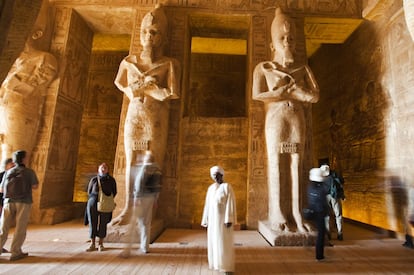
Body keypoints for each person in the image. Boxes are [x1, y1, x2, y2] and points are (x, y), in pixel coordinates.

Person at [252, 7, 319, 233]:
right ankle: (278, 214)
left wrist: (297, 91)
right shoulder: (264, 68)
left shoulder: (303, 69)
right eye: (282, 38)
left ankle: (297, 215)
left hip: (296, 118)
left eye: (291, 38)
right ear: (273, 45)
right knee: (275, 163)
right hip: (275, 118)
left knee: (296, 163)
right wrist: (282, 93)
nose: (287, 42)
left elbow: (315, 95)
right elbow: (257, 95)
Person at [113, 4, 181, 225]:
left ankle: (147, 211)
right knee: (131, 160)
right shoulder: (129, 61)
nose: (148, 36)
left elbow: (172, 92)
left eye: (154, 32)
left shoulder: (169, 63)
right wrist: (133, 88)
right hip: (135, 113)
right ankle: (127, 209)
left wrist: (151, 88)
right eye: (145, 32)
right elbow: (119, 83)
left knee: (151, 163)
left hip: (155, 117)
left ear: (162, 37)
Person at [0, 4, 58, 163]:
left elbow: (31, 89)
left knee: (11, 157)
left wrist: (11, 83)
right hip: (4, 106)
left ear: (37, 33)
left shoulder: (45, 60)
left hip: (20, 111)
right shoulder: (9, 60)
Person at [120, 151, 162, 258]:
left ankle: (127, 249)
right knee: (146, 223)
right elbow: (158, 186)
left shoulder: (145, 168)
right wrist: (156, 199)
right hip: (151, 198)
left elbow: (139, 183)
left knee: (134, 222)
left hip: (141, 198)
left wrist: (136, 197)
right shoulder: (157, 170)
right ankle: (145, 247)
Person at [0, 150, 39, 261]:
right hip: (24, 201)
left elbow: (2, 189)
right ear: (23, 159)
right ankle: (16, 252)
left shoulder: (8, 172)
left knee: (3, 227)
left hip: (8, 201)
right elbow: (35, 186)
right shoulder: (29, 172)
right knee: (20, 227)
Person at [201, 166, 237, 274]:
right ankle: (216, 264)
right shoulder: (211, 188)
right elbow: (207, 205)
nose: (216, 178)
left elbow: (230, 204)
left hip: (223, 221)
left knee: (223, 242)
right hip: (213, 221)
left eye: (218, 175)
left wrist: (229, 219)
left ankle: (226, 266)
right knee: (214, 241)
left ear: (222, 175)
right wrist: (205, 220)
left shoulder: (227, 187)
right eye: (214, 176)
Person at [85, 163, 117, 252]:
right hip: (93, 204)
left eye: (105, 168)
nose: (103, 169)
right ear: (98, 169)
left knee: (103, 223)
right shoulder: (94, 179)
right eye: (101, 168)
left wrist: (105, 199)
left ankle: (101, 244)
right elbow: (89, 191)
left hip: (105, 204)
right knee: (93, 222)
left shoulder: (111, 180)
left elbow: (114, 191)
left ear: (107, 170)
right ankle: (92, 243)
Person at [307, 167, 329, 261]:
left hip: (313, 211)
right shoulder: (321, 189)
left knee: (320, 233)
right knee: (321, 234)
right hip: (319, 212)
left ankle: (319, 255)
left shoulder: (310, 187)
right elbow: (323, 201)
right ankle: (319, 255)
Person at [320, 163, 345, 241]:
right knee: (338, 215)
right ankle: (340, 233)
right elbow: (341, 185)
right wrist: (342, 196)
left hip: (326, 197)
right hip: (335, 197)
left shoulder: (321, 177)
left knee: (326, 216)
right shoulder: (335, 175)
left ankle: (328, 234)